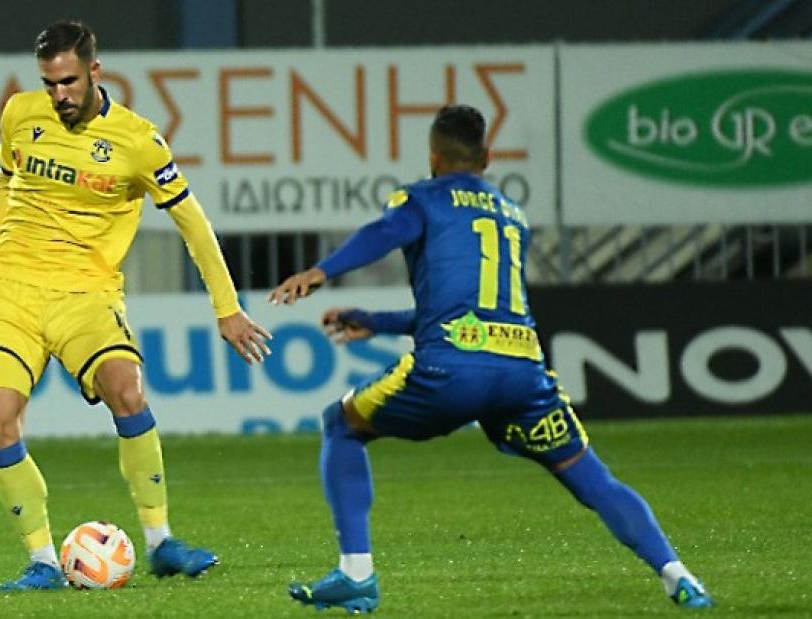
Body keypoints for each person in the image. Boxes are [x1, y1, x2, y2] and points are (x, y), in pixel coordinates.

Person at [268, 104, 714, 613]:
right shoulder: (511, 215)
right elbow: (471, 314)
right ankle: (679, 576)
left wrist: (323, 271)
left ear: (434, 158)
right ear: (487, 158)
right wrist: (378, 320)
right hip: (523, 374)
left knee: (342, 424)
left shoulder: (421, 199)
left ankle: (356, 574)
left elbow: (384, 233)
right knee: (592, 477)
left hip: (450, 373)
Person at [0, 20, 272, 592]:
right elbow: (3, 193)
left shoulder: (137, 142)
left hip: (87, 294)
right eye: (50, 83)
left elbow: (193, 224)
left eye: (69, 81)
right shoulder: (20, 115)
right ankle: (43, 561)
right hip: (12, 289)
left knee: (127, 390)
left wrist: (227, 308)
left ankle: (161, 542)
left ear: (95, 71)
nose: (59, 95)